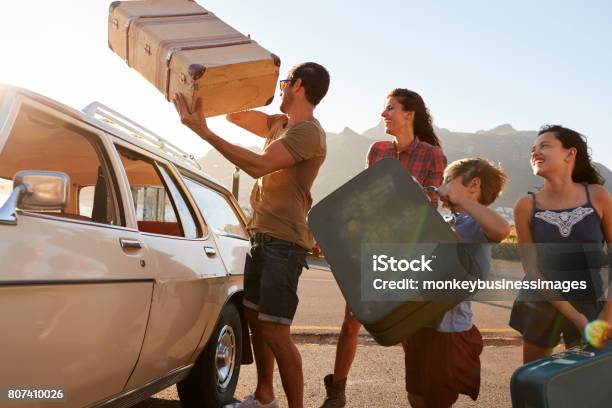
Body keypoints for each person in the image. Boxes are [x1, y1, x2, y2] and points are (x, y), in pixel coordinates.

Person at [174, 62, 330, 408]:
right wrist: (241, 73)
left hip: (284, 243)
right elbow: (234, 116)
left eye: (285, 81)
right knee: (257, 322)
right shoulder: (279, 124)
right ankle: (264, 397)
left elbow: (258, 165)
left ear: (299, 85)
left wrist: (204, 133)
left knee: (276, 330)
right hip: (261, 237)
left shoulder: (308, 134)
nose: (282, 87)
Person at [320, 88, 447, 408]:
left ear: (409, 113)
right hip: (373, 250)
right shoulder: (377, 150)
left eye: (390, 108)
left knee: (405, 330)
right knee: (351, 321)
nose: (383, 114)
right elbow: (365, 196)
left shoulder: (432, 154)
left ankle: (418, 394)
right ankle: (337, 393)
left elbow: (432, 205)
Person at [404, 158, 510, 408]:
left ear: (474, 186)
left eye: (448, 181)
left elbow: (502, 230)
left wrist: (460, 200)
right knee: (416, 394)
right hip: (422, 322)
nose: (442, 186)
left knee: (437, 399)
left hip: (448, 330)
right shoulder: (452, 222)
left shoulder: (472, 223)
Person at [509, 125, 612, 363]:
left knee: (588, 386)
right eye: (532, 149)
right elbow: (533, 271)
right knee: (534, 381)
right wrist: (575, 317)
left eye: (545, 145)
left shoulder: (598, 196)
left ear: (570, 154)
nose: (535, 152)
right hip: (541, 303)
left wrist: (607, 315)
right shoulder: (525, 205)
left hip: (591, 303)